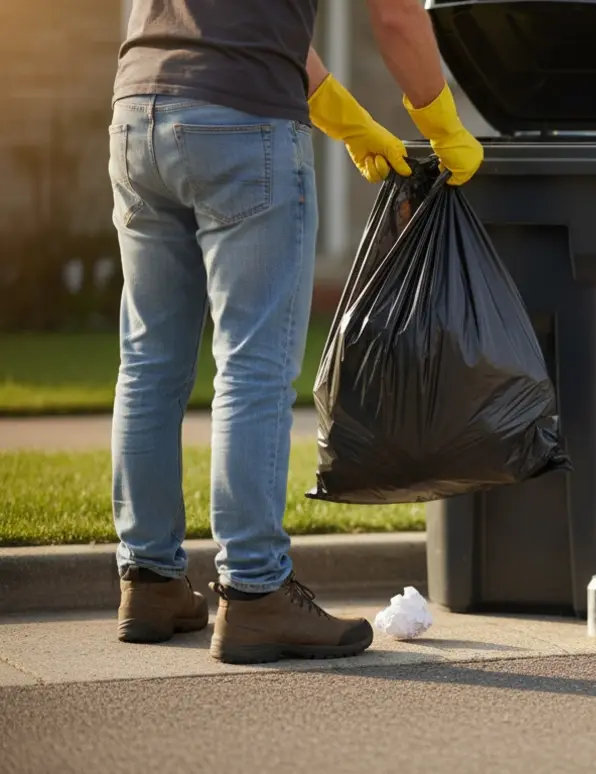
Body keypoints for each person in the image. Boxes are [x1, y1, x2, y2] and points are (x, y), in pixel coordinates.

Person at [108, 0, 482, 664]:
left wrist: (346, 118)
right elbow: (396, 14)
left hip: (140, 112)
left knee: (148, 364)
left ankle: (150, 580)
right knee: (252, 367)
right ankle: (255, 594)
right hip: (242, 125)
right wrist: (439, 118)